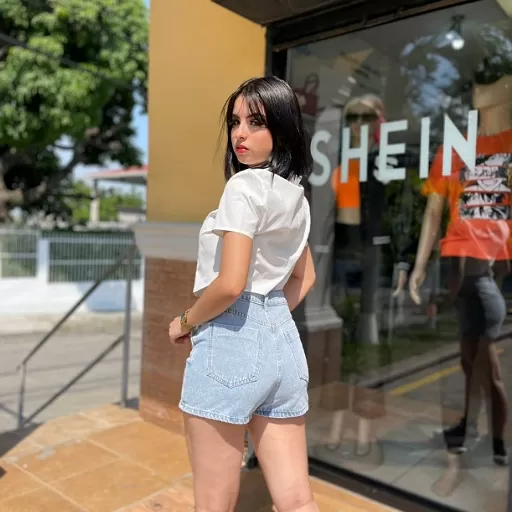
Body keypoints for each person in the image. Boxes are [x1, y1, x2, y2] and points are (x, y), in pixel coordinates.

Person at [168, 76, 318, 512]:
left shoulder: (243, 187)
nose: (240, 133)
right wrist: (267, 319)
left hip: (230, 345)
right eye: (235, 122)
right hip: (283, 346)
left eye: (256, 122)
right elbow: (305, 278)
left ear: (283, 130)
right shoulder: (297, 198)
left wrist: (185, 322)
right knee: (297, 500)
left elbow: (231, 283)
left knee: (213, 504)